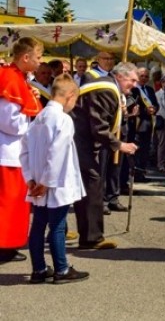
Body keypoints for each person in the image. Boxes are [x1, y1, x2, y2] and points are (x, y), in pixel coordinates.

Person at [22, 73, 89, 284]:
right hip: (56, 181)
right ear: (69, 95)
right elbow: (57, 152)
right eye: (75, 99)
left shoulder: (38, 118)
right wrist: (46, 182)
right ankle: (61, 268)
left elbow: (24, 151)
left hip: (38, 180)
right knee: (58, 225)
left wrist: (31, 178)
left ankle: (39, 268)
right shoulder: (63, 119)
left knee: (38, 225)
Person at [71, 62, 140, 250]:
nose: (134, 85)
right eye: (132, 80)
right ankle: (91, 238)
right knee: (92, 185)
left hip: (81, 141)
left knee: (89, 186)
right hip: (79, 142)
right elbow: (99, 126)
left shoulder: (109, 88)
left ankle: (89, 236)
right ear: (119, 76)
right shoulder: (106, 89)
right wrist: (120, 145)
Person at [0, 37, 44, 264]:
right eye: (37, 57)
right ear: (25, 57)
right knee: (7, 203)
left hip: (14, 151)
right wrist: (28, 114)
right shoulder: (10, 78)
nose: (40, 62)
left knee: (17, 203)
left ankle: (9, 245)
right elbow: (8, 121)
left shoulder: (18, 77)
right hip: (7, 150)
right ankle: (3, 247)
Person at [128, 66, 159, 182]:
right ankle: (134, 174)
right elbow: (132, 105)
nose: (144, 78)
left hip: (148, 124)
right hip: (137, 123)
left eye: (146, 76)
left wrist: (154, 109)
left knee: (145, 150)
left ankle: (141, 173)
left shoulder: (150, 90)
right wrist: (146, 110)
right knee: (136, 150)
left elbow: (155, 103)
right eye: (142, 76)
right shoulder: (134, 89)